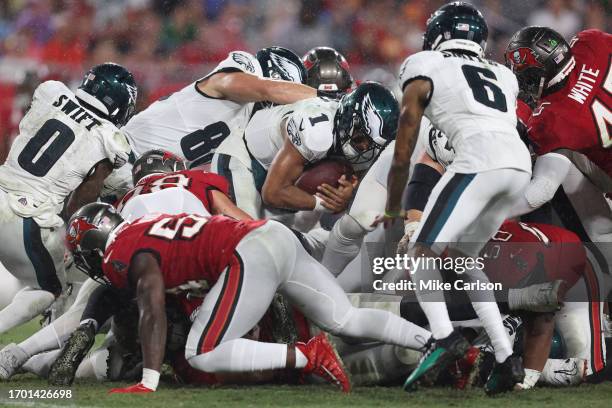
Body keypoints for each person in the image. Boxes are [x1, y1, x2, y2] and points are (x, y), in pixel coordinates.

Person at [64, 203, 433, 393]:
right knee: (345, 318)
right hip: (271, 235)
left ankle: (307, 354)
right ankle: (436, 343)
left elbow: (151, 307)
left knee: (201, 352)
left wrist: (148, 379)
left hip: (247, 255)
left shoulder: (118, 255)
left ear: (94, 249)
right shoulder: (144, 223)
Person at [381, 2, 532, 394]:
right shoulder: (502, 73)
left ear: (438, 36)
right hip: (518, 166)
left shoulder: (424, 64)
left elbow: (404, 147)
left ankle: (444, 337)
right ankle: (504, 355)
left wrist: (394, 206)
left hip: (478, 160)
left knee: (420, 250)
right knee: (464, 259)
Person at [0, 62, 135, 337]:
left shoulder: (51, 91)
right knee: (49, 289)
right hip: (27, 215)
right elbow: (83, 199)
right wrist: (67, 234)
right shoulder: (109, 138)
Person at [213, 82, 398, 219]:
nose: (365, 149)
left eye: (372, 145)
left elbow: (361, 181)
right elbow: (273, 193)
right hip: (243, 158)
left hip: (279, 174)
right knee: (246, 236)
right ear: (348, 119)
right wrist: (324, 203)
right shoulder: (317, 131)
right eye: (360, 139)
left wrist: (348, 193)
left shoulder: (363, 139)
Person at [124, 47, 316, 169]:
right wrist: (328, 99)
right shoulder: (242, 71)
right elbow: (266, 88)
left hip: (147, 178)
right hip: (124, 153)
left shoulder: (254, 126)